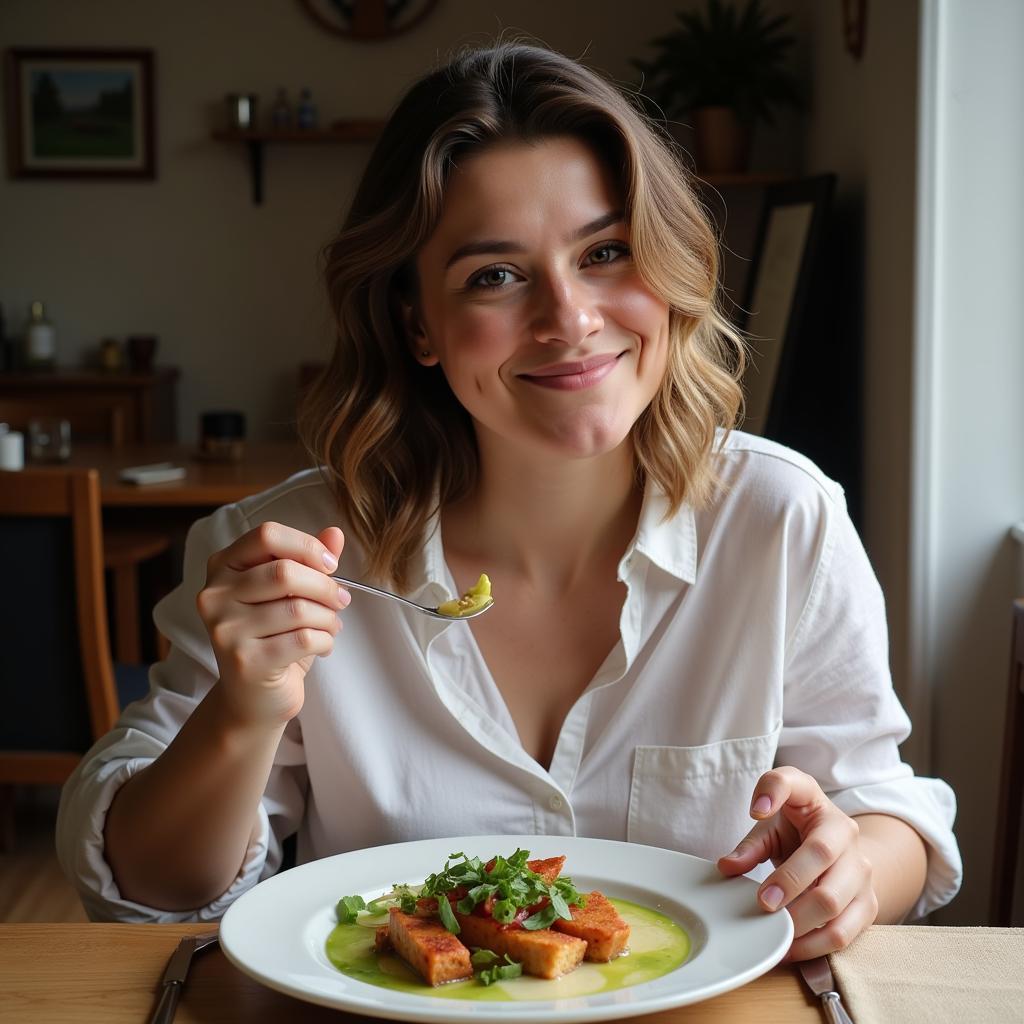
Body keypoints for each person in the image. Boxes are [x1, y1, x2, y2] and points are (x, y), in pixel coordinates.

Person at [57, 41, 961, 960]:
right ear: (416, 321)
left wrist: (850, 874)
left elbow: (884, 813)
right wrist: (246, 710)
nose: (569, 319)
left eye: (606, 252)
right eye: (494, 275)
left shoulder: (781, 520)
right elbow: (144, 890)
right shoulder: (281, 552)